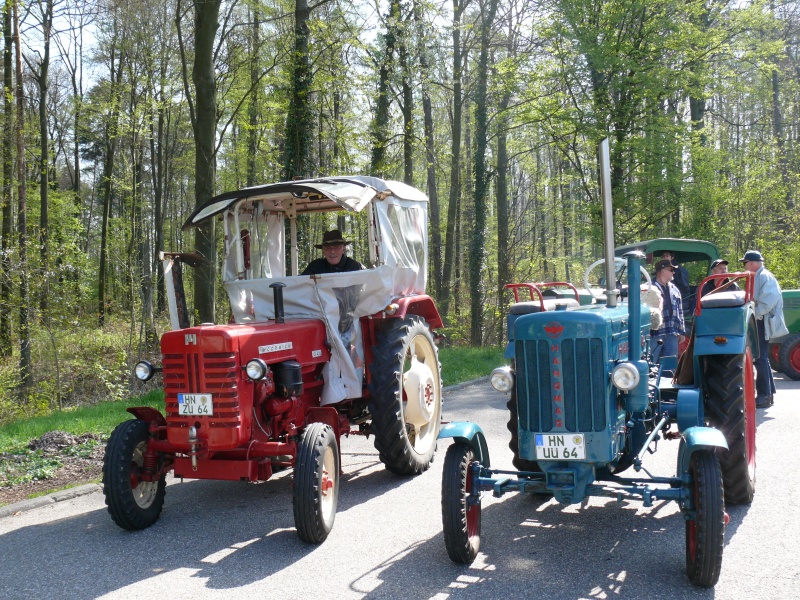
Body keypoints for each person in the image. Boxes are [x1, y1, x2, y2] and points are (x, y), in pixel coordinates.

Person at [741, 250, 786, 408]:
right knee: (762, 359)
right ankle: (768, 394)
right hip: (760, 320)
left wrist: (755, 314)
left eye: (745, 263)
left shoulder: (764, 276)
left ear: (752, 263)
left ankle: (764, 396)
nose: (744, 266)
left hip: (761, 321)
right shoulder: (761, 276)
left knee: (760, 359)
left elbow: (768, 301)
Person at [650, 259, 686, 364]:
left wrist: (682, 331)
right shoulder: (649, 288)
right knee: (651, 363)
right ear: (663, 271)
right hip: (654, 334)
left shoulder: (674, 289)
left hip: (672, 333)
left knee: (670, 366)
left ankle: (669, 381)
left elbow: (680, 311)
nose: (673, 273)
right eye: (671, 270)